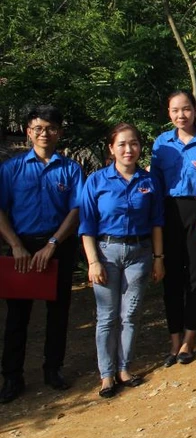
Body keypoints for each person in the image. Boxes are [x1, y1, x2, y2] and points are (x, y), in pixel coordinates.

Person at [0, 106, 84, 403]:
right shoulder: (12, 169)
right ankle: (12, 376)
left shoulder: (71, 169)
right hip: (22, 247)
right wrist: (16, 245)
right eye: (38, 128)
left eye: (50, 128)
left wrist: (52, 244)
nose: (44, 133)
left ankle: (53, 369)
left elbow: (76, 210)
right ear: (28, 131)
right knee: (17, 316)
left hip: (58, 246)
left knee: (58, 313)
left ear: (59, 132)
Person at [80, 123, 165, 398]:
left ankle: (124, 368)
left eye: (134, 144)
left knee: (130, 314)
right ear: (111, 148)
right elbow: (87, 225)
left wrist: (158, 258)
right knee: (106, 316)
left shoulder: (149, 181)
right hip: (106, 253)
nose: (128, 150)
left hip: (139, 254)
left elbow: (156, 223)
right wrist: (93, 262)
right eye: (122, 144)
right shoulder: (96, 181)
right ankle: (106, 374)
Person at [151, 90, 196, 366]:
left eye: (186, 109)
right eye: (175, 110)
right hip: (169, 213)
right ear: (168, 113)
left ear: (195, 109)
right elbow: (154, 185)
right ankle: (174, 340)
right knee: (172, 281)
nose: (181, 115)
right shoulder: (161, 144)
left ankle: (190, 338)